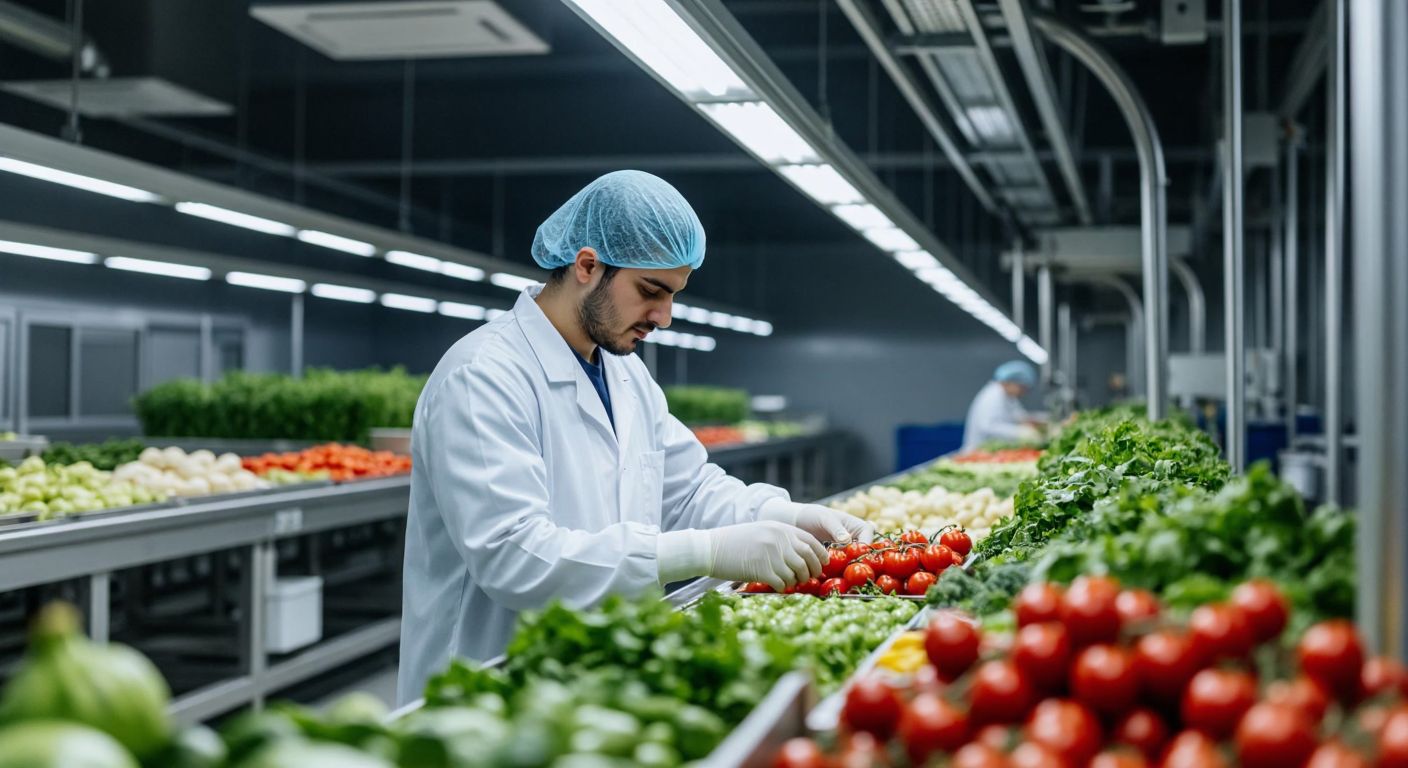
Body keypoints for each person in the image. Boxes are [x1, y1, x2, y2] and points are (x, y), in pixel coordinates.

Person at [396, 171, 873, 704]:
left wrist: (782, 514)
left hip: (595, 676)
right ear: (586, 266)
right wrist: (706, 551)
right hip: (487, 688)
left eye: (673, 296)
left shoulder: (626, 375)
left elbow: (687, 491)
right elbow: (516, 558)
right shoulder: (483, 375)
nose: (664, 318)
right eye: (651, 291)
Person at [961, 360, 1041, 451]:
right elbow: (988, 426)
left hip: (992, 450)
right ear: (1010, 382)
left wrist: (1041, 419)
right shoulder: (993, 395)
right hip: (979, 450)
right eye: (1022, 388)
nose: (1023, 393)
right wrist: (1019, 432)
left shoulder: (1008, 396)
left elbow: (1019, 416)